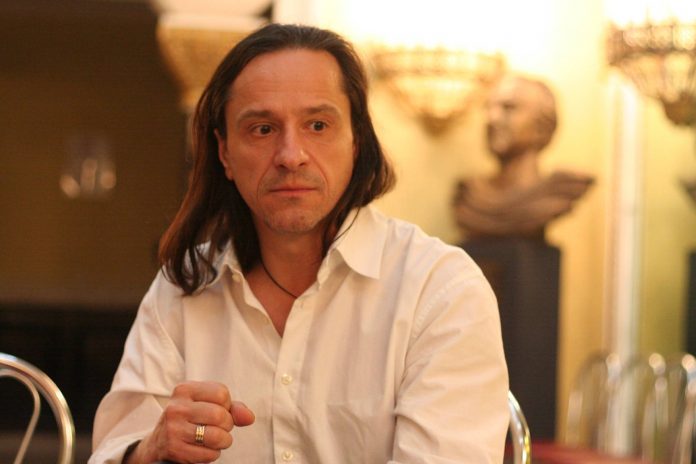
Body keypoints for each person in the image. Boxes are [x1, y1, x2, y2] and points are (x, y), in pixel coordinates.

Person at [89, 23, 508, 464]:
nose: (291, 155)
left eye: (318, 125)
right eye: (262, 129)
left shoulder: (440, 290)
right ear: (225, 153)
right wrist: (149, 450)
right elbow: (115, 449)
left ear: (356, 141)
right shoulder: (181, 288)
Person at [453, 74, 594, 240]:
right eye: (488, 108)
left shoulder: (559, 190)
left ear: (541, 125)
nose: (492, 119)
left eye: (508, 108)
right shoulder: (471, 195)